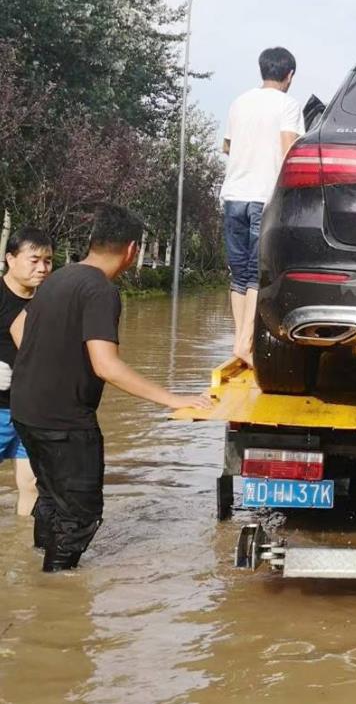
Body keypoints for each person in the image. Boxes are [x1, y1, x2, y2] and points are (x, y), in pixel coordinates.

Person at [10, 204, 211, 572]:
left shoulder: (57, 277)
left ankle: (37, 568)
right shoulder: (100, 290)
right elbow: (106, 365)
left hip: (25, 410)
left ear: (93, 240)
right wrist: (173, 398)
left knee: (52, 498)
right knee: (80, 515)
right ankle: (55, 586)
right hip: (64, 421)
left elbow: (17, 327)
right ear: (132, 250)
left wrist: (46, 366)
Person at [220, 46, 305, 365]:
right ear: (289, 75)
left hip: (233, 196)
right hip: (264, 197)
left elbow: (226, 146)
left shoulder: (239, 102)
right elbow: (288, 149)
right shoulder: (288, 105)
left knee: (239, 273)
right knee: (258, 274)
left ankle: (238, 341)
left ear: (262, 69)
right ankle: (245, 343)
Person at [0, 227, 53, 516]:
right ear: (11, 259)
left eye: (48, 261)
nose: (42, 268)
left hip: (32, 411)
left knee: (32, 484)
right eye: (34, 260)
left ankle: (23, 540)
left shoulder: (48, 301)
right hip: (0, 410)